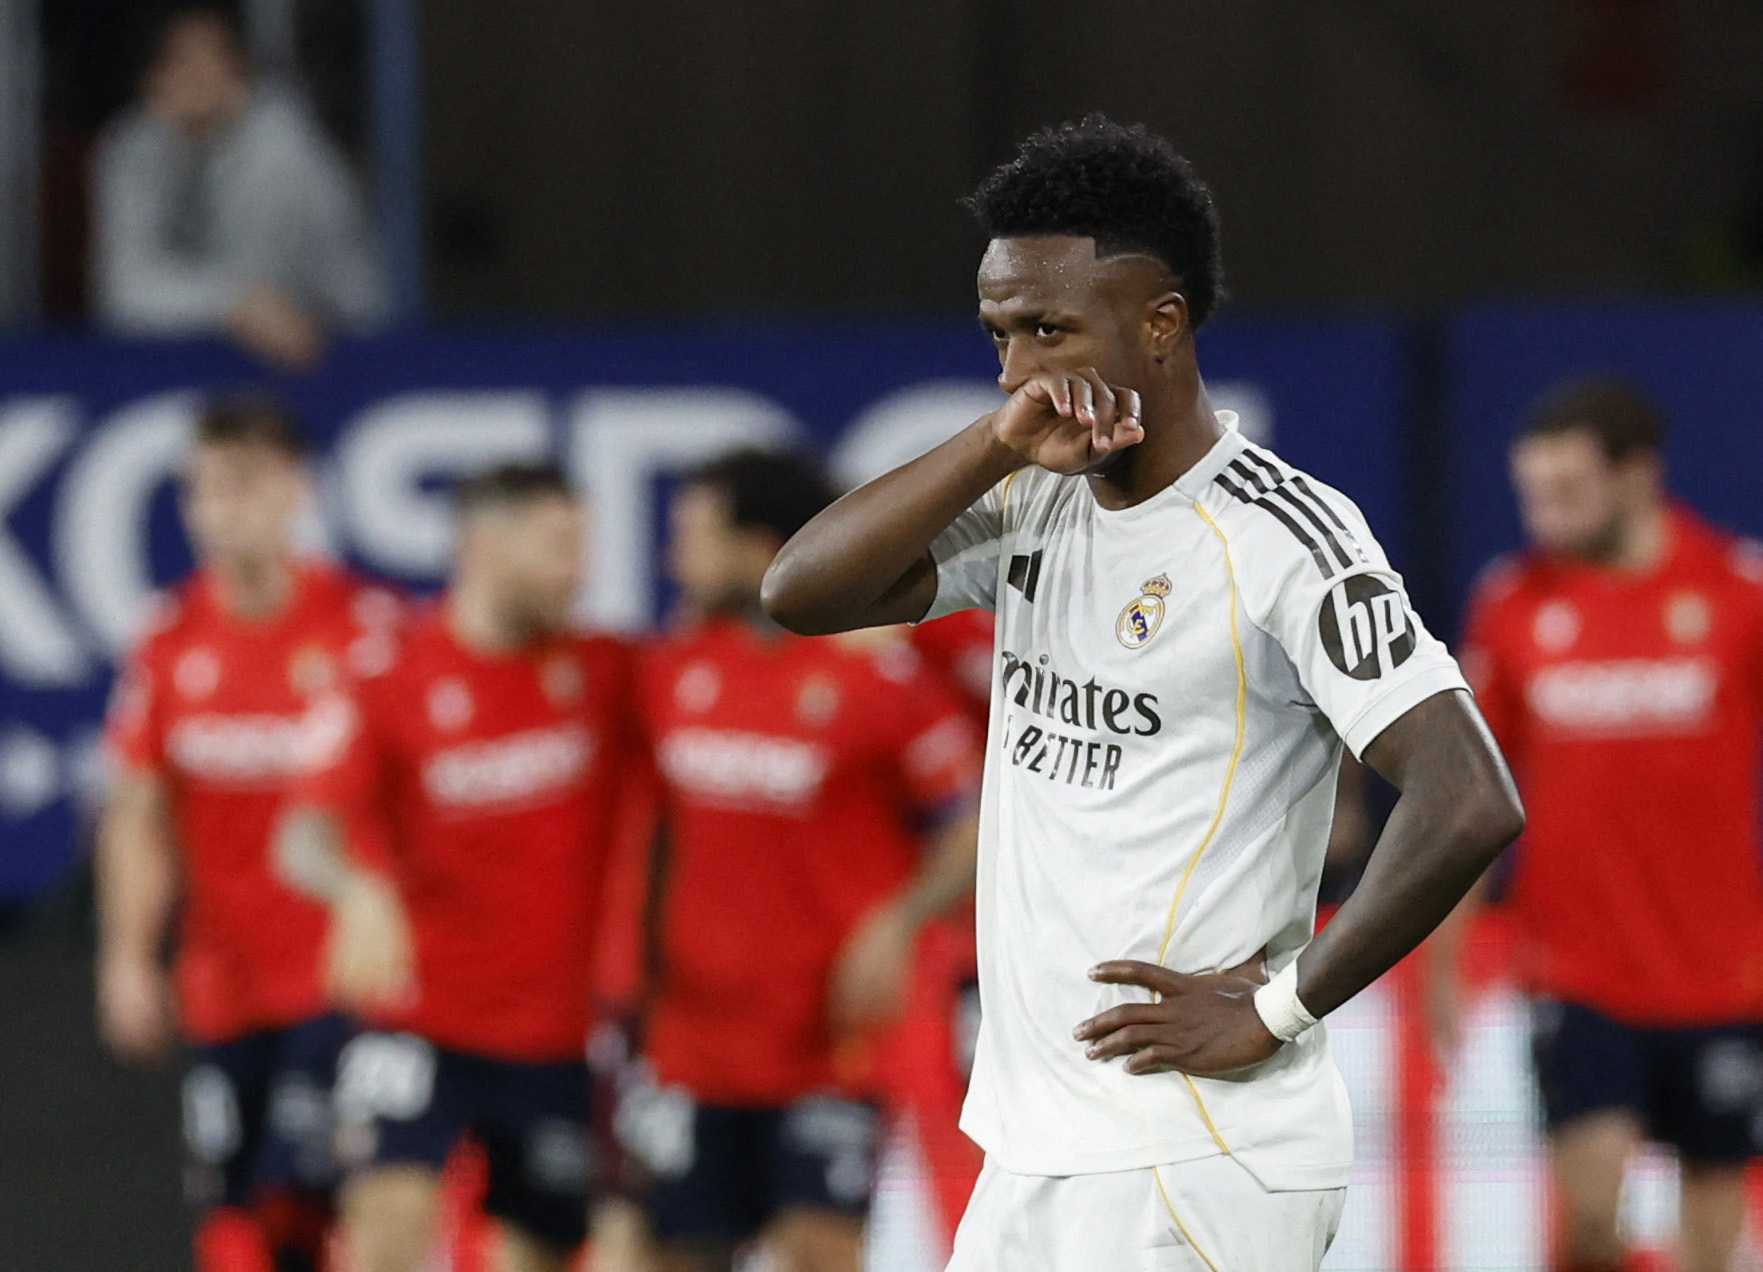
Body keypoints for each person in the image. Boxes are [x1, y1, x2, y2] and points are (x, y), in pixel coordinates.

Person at [759, 114, 1526, 1272]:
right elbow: (800, 592)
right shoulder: (1034, 495)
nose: (1016, 369)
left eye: (1047, 330)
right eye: (998, 334)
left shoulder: (1280, 535)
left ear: (1160, 324)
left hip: (1193, 1151)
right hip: (1033, 1145)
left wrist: (1275, 1007)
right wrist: (992, 446)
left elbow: (1466, 795)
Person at [616, 448, 983, 1272]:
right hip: (691, 1044)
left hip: (830, 1043)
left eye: (695, 538)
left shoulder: (878, 679)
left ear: (757, 550)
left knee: (819, 1251)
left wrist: (899, 921)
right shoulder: (674, 671)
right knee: (672, 1253)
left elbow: (967, 823)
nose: (675, 561)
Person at [275, 464, 638, 1272]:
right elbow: (300, 839)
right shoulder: (385, 672)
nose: (578, 569)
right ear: (481, 546)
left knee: (542, 1250)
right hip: (415, 1019)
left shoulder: (606, 671)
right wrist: (358, 888)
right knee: (388, 1221)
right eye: (557, 546)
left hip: (557, 1033)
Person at [1438, 377, 1763, 1272]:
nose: (1543, 516)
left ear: (1636, 477)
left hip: (1722, 978)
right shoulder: (1511, 607)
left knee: (1712, 1241)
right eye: (1531, 494)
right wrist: (1443, 958)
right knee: (1585, 1226)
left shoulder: (1736, 594)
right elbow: (1468, 799)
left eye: (1567, 493)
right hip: (1575, 975)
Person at [97, 394, 399, 1272]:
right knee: (234, 1214)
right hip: (222, 983)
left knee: (319, 1198)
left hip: (343, 984)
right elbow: (138, 812)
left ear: (296, 491)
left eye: (241, 485)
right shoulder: (168, 644)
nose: (218, 509)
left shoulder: (363, 631)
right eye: (201, 490)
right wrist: (125, 954)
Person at [91, 4, 385, 368]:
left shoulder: (280, 145)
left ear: (241, 68)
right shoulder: (133, 147)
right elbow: (125, 295)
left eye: (215, 56)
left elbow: (266, 298)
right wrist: (227, 303)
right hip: (218, 352)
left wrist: (228, 305)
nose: (200, 75)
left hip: (346, 350)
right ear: (150, 78)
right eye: (180, 60)